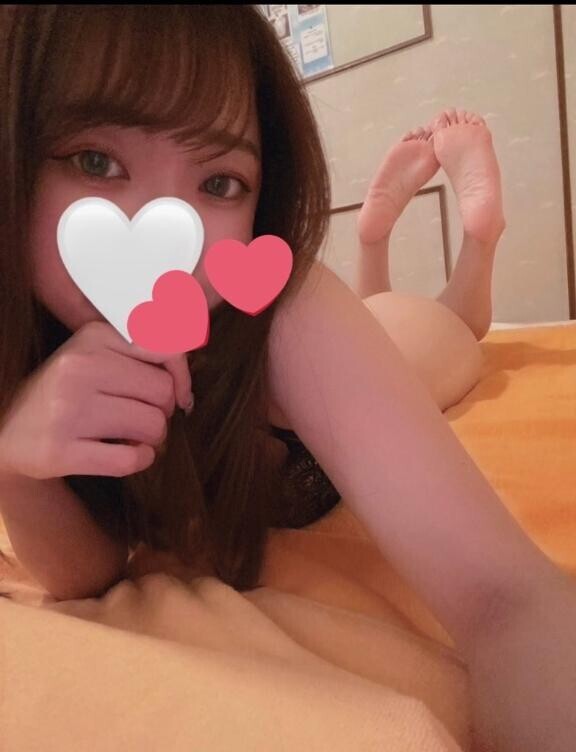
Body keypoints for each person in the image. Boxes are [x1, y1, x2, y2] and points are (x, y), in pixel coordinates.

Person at [0, 8, 575, 751]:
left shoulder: (287, 317)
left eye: (219, 181)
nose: (167, 235)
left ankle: (474, 242)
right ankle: (374, 246)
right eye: (96, 162)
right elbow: (90, 575)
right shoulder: (27, 343)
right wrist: (16, 463)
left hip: (393, 351)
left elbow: (507, 597)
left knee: (450, 331)